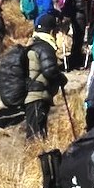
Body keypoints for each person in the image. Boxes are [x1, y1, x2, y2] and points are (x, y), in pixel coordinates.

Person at [23, 12, 67, 140]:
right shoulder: (45, 47)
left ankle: (34, 151)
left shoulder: (33, 44)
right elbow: (50, 70)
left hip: (30, 94)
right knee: (37, 134)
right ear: (52, 31)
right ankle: (36, 152)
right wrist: (61, 78)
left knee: (34, 131)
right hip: (38, 94)